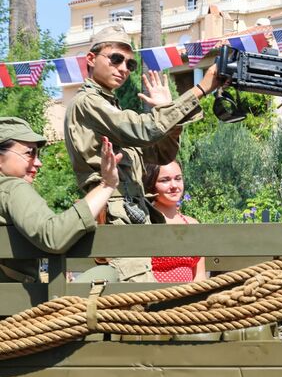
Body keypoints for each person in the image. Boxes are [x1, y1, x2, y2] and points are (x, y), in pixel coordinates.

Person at [63, 24, 221, 280]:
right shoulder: (87, 103)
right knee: (135, 302)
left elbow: (161, 155)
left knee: (144, 302)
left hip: (133, 214)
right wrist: (200, 90)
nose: (124, 68)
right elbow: (144, 130)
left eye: (130, 64)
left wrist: (169, 111)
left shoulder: (109, 107)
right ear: (91, 59)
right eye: (115, 59)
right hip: (115, 214)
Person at [0, 117, 121, 283]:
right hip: (19, 303)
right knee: (107, 273)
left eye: (38, 154)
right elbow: (54, 236)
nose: (38, 162)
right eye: (30, 153)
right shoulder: (12, 188)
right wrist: (107, 184)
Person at [143, 161, 206, 282]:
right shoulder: (145, 222)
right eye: (164, 180)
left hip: (189, 298)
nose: (174, 186)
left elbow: (200, 276)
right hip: (152, 297)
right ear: (151, 184)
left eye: (178, 179)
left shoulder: (193, 224)